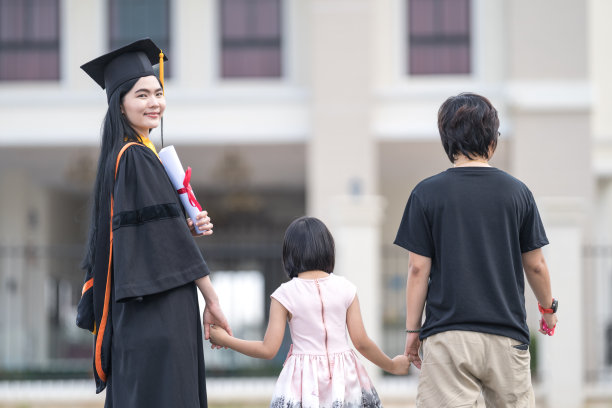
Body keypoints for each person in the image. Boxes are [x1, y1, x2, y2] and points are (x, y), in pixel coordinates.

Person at [76, 38, 232, 407]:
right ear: (121, 104)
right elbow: (168, 240)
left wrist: (183, 221)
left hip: (143, 312)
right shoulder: (135, 158)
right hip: (158, 313)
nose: (154, 103)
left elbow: (149, 232)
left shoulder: (129, 155)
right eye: (141, 95)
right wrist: (212, 299)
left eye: (158, 93)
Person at [394, 92, 558, 407]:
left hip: (448, 337)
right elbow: (536, 265)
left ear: (447, 141)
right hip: (507, 336)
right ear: (492, 140)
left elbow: (418, 269)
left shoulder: (426, 194)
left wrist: (413, 332)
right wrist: (548, 310)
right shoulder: (518, 193)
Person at [210, 216, 411, 408]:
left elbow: (268, 349)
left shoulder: (284, 295)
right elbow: (361, 342)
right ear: (328, 249)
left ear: (290, 253)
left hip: (303, 381)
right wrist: (392, 365)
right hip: (345, 376)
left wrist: (225, 339)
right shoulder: (346, 288)